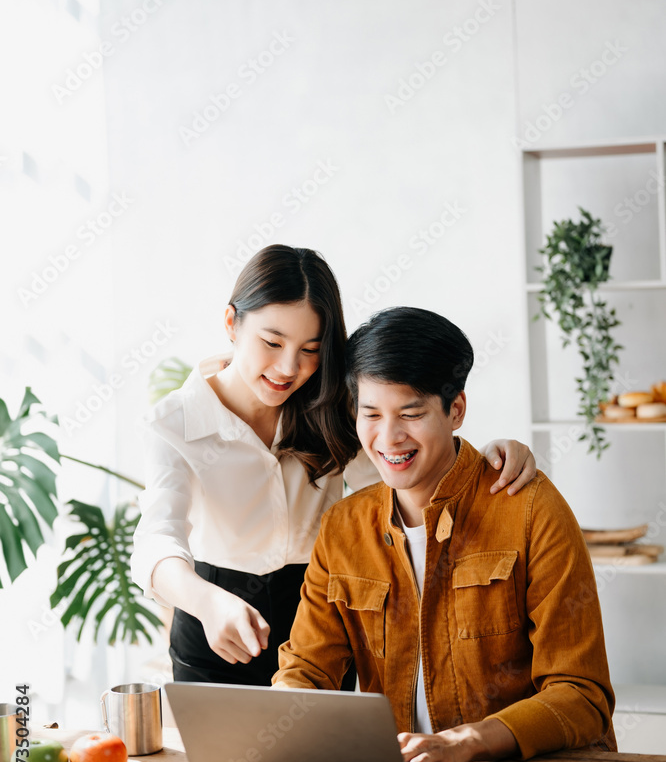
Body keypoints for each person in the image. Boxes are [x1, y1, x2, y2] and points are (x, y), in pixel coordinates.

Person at [131, 246, 538, 686]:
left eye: (310, 349)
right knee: (226, 755)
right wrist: (209, 603)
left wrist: (485, 457)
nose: (289, 368)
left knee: (324, 753)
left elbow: (401, 474)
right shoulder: (176, 424)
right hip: (218, 621)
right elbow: (156, 540)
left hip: (320, 617)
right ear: (232, 323)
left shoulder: (331, 403)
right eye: (272, 342)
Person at [273, 306, 616, 762]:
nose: (389, 438)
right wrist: (280, 715)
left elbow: (582, 695)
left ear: (455, 410)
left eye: (411, 414)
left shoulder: (531, 508)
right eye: (371, 414)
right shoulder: (343, 528)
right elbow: (307, 668)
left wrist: (465, 742)